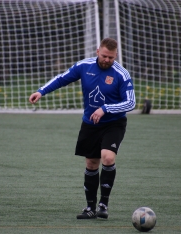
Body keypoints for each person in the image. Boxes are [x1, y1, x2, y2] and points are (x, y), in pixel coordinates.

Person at [29, 38, 136, 219]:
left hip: (114, 123)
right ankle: (90, 208)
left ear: (116, 55)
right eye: (104, 56)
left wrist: (105, 109)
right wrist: (41, 91)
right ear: (97, 51)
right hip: (90, 123)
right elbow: (62, 78)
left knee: (107, 158)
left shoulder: (121, 74)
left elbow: (131, 102)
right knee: (91, 164)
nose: (107, 60)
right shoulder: (84, 66)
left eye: (110, 57)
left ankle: (104, 204)